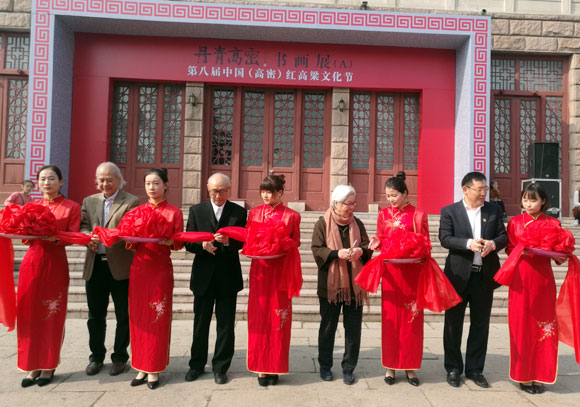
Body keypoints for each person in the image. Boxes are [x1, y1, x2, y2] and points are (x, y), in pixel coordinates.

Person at [439, 171, 508, 388]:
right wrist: (468, 243)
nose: (483, 193)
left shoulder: (493, 210)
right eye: (480, 189)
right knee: (453, 324)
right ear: (465, 189)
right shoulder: (450, 211)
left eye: (485, 189)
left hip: (483, 276)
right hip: (457, 276)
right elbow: (445, 238)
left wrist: (493, 244)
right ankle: (453, 368)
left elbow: (503, 236)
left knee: (480, 324)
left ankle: (475, 369)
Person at [497, 183, 567, 394]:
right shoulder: (515, 223)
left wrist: (560, 251)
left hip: (543, 280)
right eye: (525, 199)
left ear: (543, 201)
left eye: (533, 200)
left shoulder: (554, 223)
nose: (528, 204)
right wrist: (522, 249)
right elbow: (509, 248)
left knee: (544, 327)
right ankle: (524, 376)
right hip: (521, 278)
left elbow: (560, 255)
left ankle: (540, 375)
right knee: (522, 326)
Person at [18, 165, 81, 387]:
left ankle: (48, 365)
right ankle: (31, 365)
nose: (47, 183)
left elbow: (73, 235)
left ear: (61, 182)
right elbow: (24, 238)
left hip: (55, 264)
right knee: (29, 315)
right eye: (43, 179)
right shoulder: (31, 207)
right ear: (38, 183)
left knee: (51, 314)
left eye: (52, 178)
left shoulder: (71, 207)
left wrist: (55, 237)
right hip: (32, 264)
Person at [365, 176, 431, 386]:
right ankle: (390, 367)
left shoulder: (418, 215)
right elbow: (382, 239)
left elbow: (425, 242)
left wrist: (418, 251)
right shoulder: (383, 214)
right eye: (388, 196)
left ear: (405, 194)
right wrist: (377, 242)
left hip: (412, 272)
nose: (391, 199)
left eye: (394, 195)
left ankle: (410, 367)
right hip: (391, 273)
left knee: (412, 319)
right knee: (391, 320)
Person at [184, 173, 247, 385]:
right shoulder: (197, 210)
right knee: (200, 323)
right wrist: (202, 245)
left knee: (226, 324)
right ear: (207, 189)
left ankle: (221, 367)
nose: (218, 195)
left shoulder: (238, 212)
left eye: (222, 191)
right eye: (214, 191)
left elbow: (244, 241)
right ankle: (196, 365)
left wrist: (228, 241)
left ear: (229, 190)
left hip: (227, 276)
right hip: (203, 275)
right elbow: (188, 240)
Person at [80, 162, 139, 376]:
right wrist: (88, 237)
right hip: (95, 265)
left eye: (109, 179)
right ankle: (96, 357)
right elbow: (83, 225)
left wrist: (107, 236)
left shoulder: (131, 201)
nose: (105, 183)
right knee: (95, 315)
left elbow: (129, 229)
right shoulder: (89, 201)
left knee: (123, 315)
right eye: (101, 180)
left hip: (120, 267)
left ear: (119, 180)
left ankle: (120, 357)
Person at [126, 168, 183, 389]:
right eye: (148, 183)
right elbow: (129, 240)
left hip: (160, 270)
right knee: (139, 317)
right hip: (139, 269)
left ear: (166, 185)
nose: (152, 187)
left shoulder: (174, 212)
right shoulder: (136, 212)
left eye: (156, 183)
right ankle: (141, 366)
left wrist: (170, 241)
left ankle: (154, 368)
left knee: (157, 317)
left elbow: (179, 242)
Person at [311, 185, 372, 385]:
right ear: (336, 203)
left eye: (354, 203)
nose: (352, 207)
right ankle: (325, 366)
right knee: (328, 327)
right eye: (348, 203)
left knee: (353, 329)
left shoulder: (358, 223)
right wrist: (337, 253)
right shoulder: (322, 223)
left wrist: (361, 251)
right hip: (330, 286)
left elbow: (366, 246)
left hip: (355, 285)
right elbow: (317, 249)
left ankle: (348, 368)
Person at [246, 174, 301, 386]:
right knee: (259, 317)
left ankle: (275, 366)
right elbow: (249, 238)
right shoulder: (254, 213)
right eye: (263, 191)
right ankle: (261, 367)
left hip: (280, 271)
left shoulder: (292, 216)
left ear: (280, 192)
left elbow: (296, 241)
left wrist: (282, 244)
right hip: (260, 271)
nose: (265, 195)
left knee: (279, 318)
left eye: (269, 192)